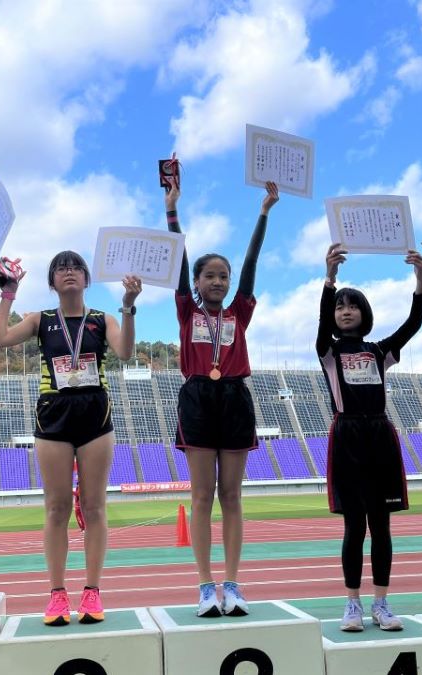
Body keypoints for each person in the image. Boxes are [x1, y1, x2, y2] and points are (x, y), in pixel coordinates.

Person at [0, 252, 140, 625]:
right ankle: (57, 594)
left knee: (95, 507)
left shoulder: (101, 319)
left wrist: (127, 306)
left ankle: (92, 591)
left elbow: (125, 352)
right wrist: (8, 293)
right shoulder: (41, 320)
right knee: (57, 508)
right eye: (60, 268)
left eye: (75, 267)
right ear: (52, 282)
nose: (69, 272)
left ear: (86, 279)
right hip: (53, 413)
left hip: (95, 414)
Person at [164, 178, 278, 617]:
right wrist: (172, 211)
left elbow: (252, 261)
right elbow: (179, 258)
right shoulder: (187, 310)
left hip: (234, 397)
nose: (217, 281)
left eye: (223, 276)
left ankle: (232, 583)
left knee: (231, 495)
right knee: (201, 496)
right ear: (196, 282)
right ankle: (204, 586)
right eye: (209, 275)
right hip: (197, 397)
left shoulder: (239, 312)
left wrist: (263, 212)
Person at [317, 243, 422, 632]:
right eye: (339, 307)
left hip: (380, 434)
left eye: (353, 306)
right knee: (354, 527)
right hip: (347, 435)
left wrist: (420, 280)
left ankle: (381, 603)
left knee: (381, 526)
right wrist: (329, 280)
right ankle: (352, 604)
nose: (345, 311)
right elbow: (321, 324)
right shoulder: (328, 351)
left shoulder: (380, 351)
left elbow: (413, 325)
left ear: (365, 313)